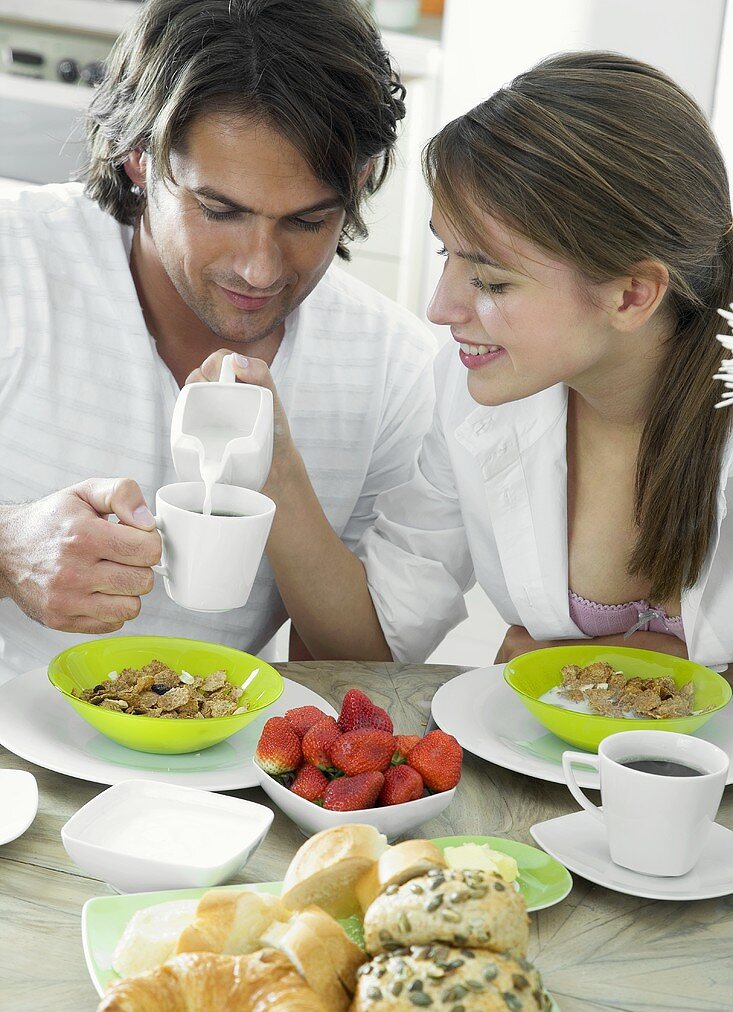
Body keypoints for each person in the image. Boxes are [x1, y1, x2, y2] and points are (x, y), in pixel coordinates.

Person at [243, 51, 733, 668]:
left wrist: (610, 662)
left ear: (632, 294)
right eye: (446, 254)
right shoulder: (476, 387)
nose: (440, 308)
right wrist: (275, 468)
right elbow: (367, 646)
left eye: (493, 282)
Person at [0, 0, 435, 676]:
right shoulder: (14, 259)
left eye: (307, 222)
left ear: (359, 184)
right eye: (220, 211)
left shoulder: (395, 371)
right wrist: (8, 549)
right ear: (140, 160)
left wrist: (280, 478)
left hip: (204, 763)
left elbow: (358, 672)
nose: (260, 269)